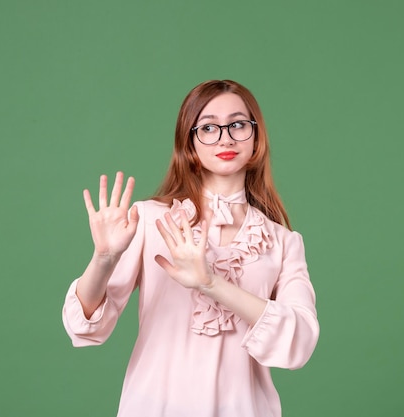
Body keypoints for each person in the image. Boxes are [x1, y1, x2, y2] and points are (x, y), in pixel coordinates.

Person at [62, 80, 319, 417]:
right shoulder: (152, 219)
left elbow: (299, 342)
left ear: (256, 137)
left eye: (238, 124)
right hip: (155, 406)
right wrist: (104, 259)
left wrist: (212, 284)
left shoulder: (283, 241)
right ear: (190, 143)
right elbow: (84, 326)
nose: (225, 137)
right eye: (209, 127)